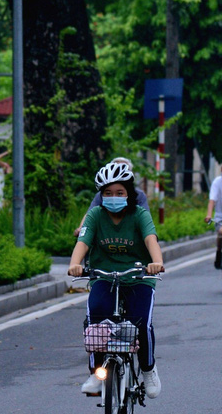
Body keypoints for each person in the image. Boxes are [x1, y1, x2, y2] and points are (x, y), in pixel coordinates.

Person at [68, 162, 164, 398]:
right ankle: (95, 372)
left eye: (119, 193)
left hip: (139, 276)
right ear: (101, 196)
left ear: (129, 194)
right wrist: (75, 264)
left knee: (140, 323)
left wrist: (156, 262)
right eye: (108, 193)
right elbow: (83, 241)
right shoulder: (95, 215)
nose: (113, 198)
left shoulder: (139, 214)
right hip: (104, 276)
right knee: (95, 320)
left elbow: (151, 240)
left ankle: (148, 370)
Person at [74, 158, 148, 237]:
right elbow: (89, 215)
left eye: (120, 193)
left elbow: (146, 222)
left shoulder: (139, 196)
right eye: (108, 193)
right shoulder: (100, 196)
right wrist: (81, 229)